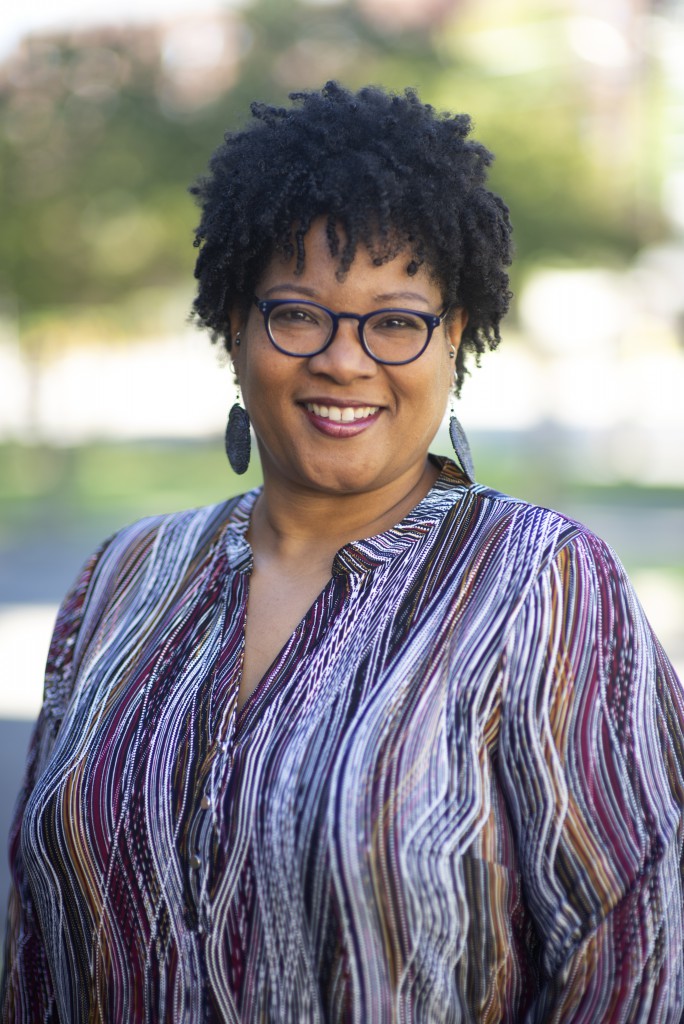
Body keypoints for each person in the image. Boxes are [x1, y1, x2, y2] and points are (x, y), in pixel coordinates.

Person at [2, 81, 683, 1024]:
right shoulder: (121, 578)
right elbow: (35, 945)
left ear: (453, 338)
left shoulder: (544, 583)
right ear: (235, 327)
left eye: (396, 321)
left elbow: (631, 962)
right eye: (298, 313)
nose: (344, 360)